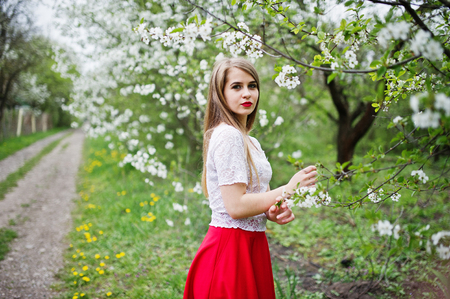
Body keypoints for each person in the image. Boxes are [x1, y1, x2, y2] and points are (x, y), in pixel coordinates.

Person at [183, 57, 317, 299]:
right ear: (220, 93)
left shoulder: (250, 140)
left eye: (252, 85)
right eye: (236, 86)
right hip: (230, 249)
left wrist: (272, 211)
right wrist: (288, 188)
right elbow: (235, 207)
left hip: (252, 244)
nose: (247, 93)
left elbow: (256, 199)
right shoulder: (228, 136)